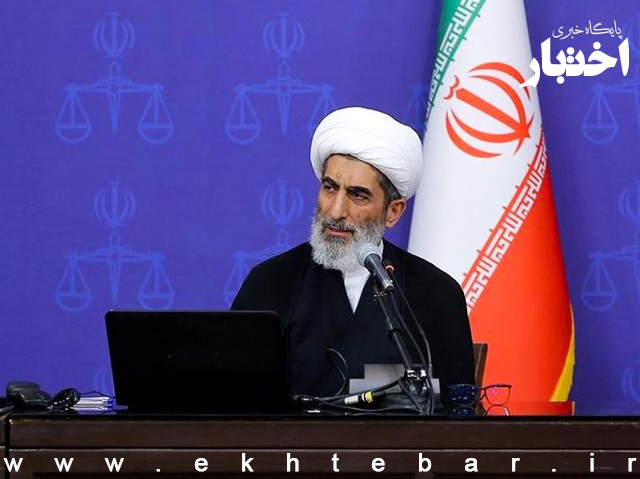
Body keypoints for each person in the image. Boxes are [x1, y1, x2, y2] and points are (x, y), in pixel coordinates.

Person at [232, 106, 474, 401]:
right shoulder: (270, 283)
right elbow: (234, 404)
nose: (336, 211)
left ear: (393, 212)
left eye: (357, 195)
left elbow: (456, 412)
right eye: (329, 188)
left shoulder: (436, 294)